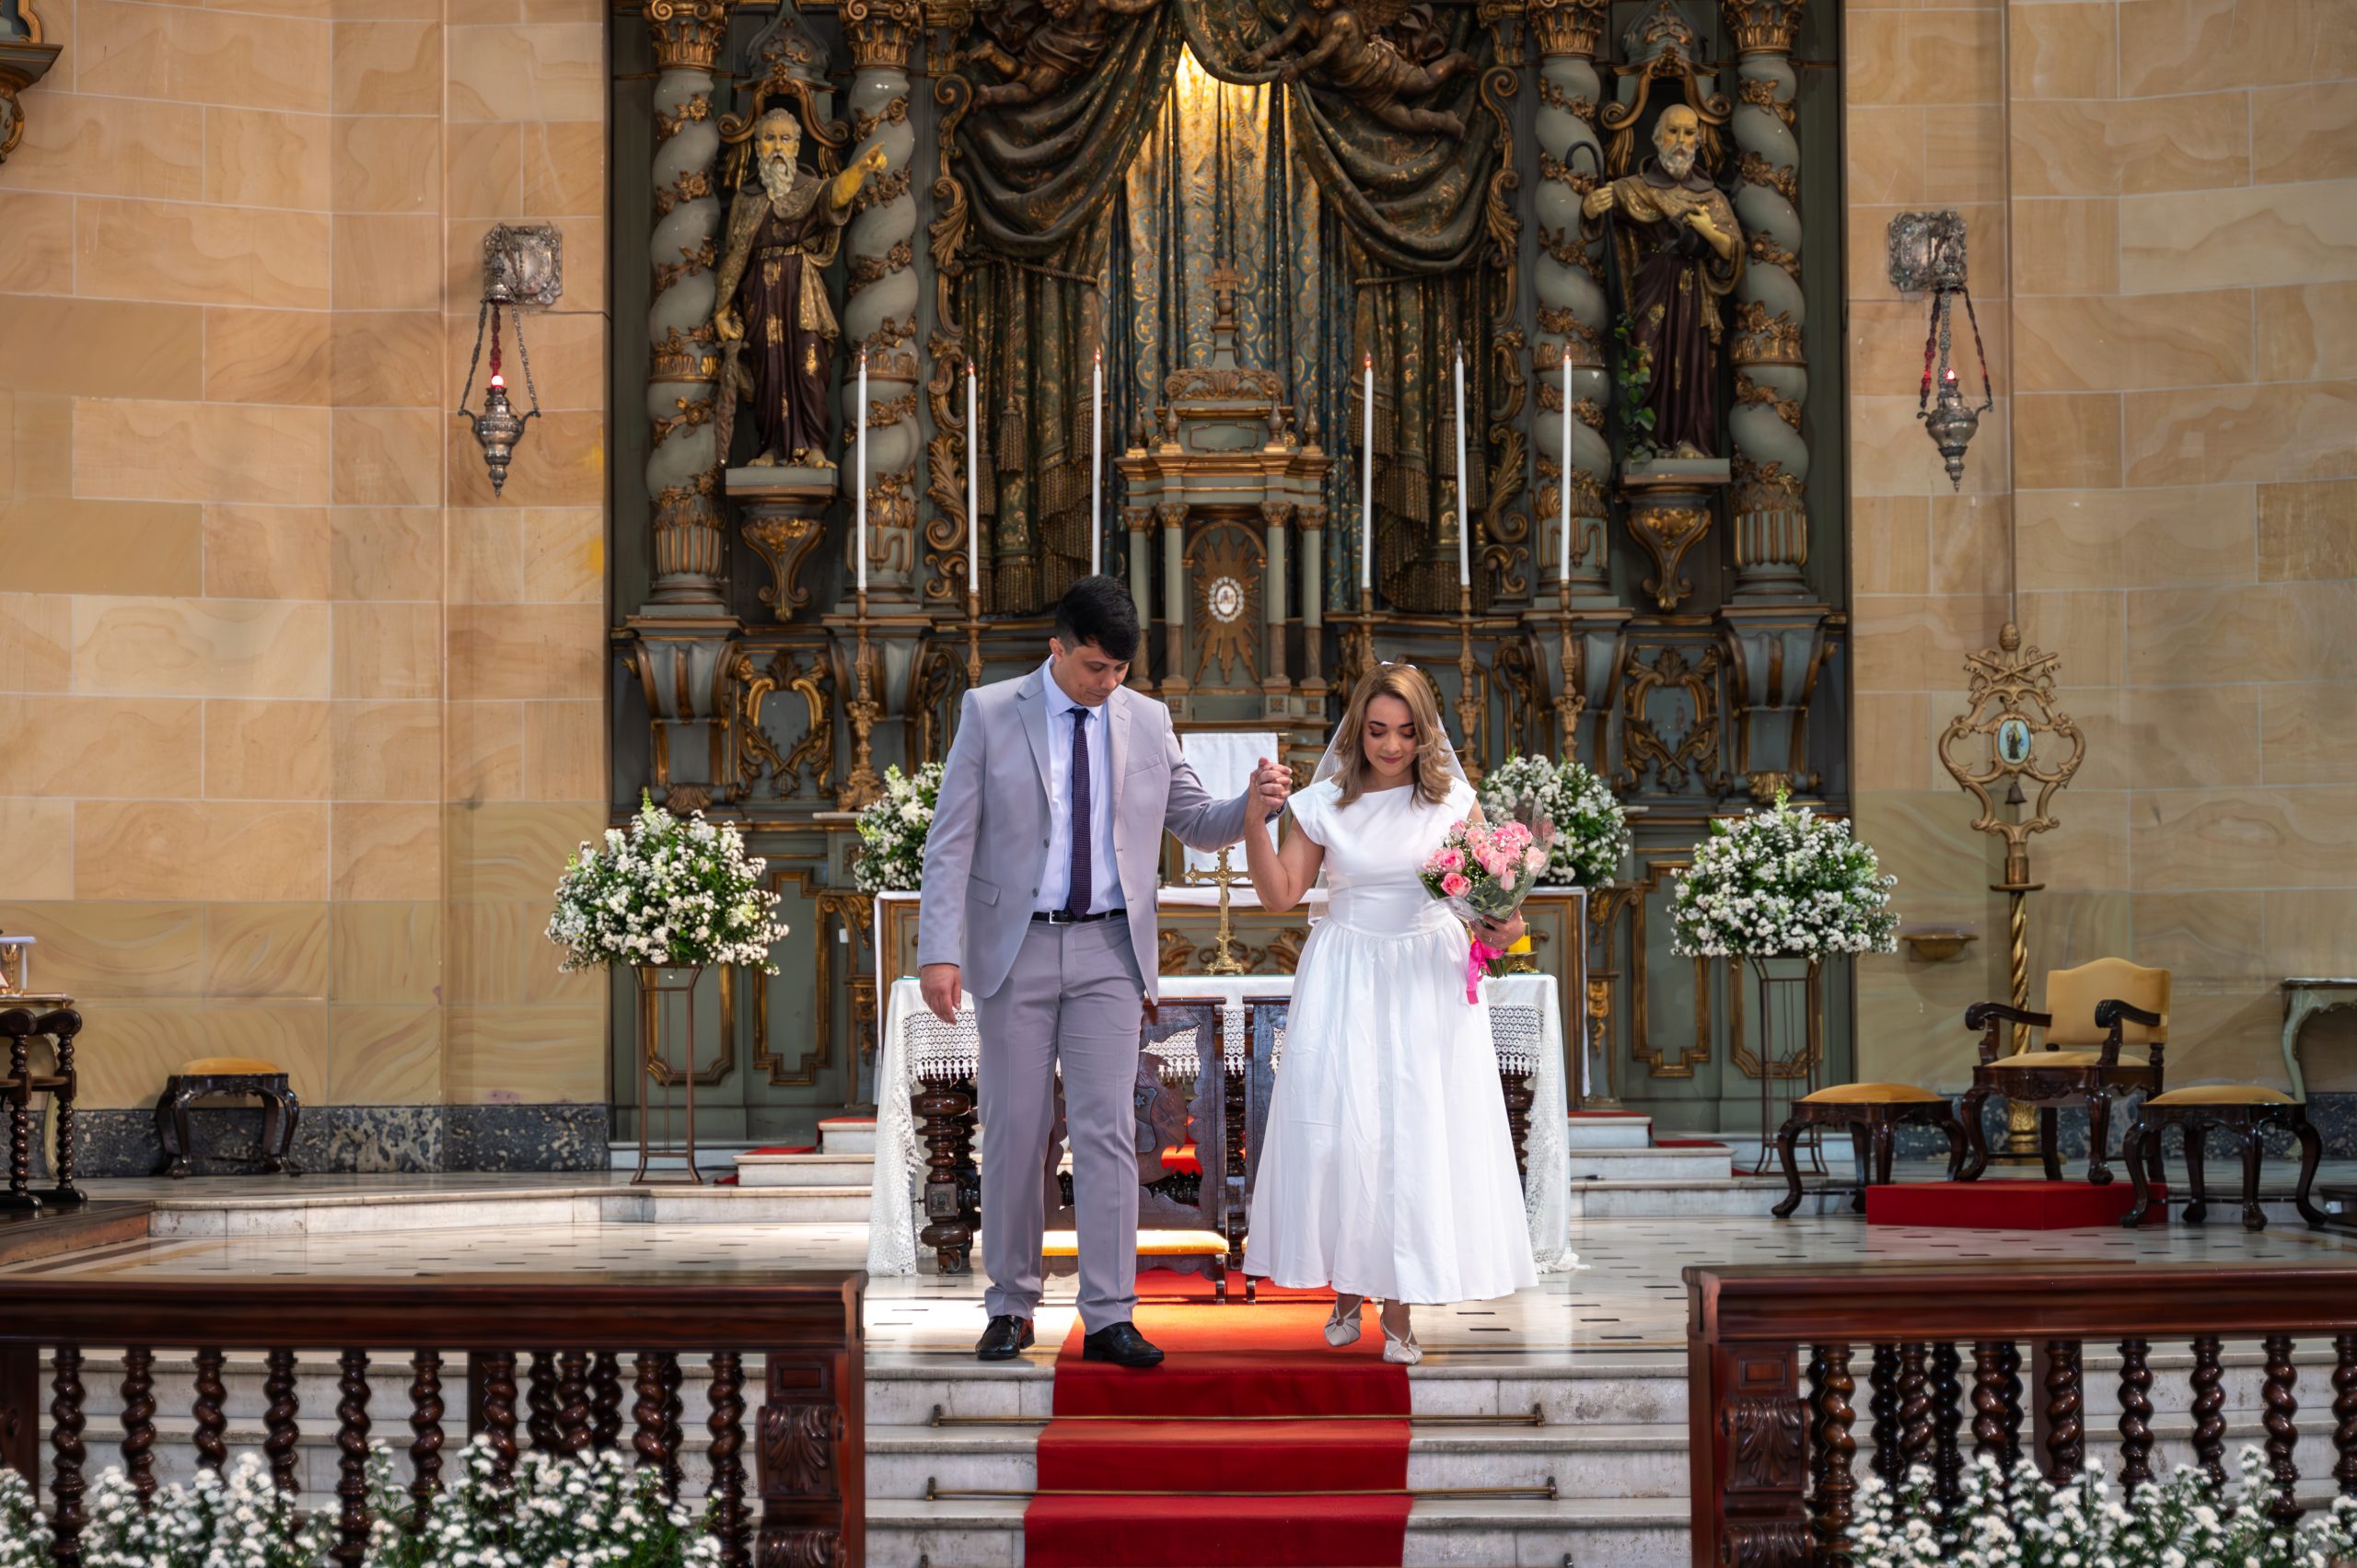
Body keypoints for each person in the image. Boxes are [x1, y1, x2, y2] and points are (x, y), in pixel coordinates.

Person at [918, 576, 1293, 1367]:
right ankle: (1011, 1305)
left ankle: (1110, 1315)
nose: (1109, 683)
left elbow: (1196, 822)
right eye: (1096, 667)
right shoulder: (990, 712)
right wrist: (938, 950)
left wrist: (1253, 804)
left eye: (1121, 669)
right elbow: (950, 840)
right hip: (1016, 947)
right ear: (1057, 648)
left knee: (1108, 1132)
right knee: (1016, 1132)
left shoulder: (1147, 720)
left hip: (1110, 951)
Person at [1238, 662, 1538, 1364]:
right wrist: (1255, 818)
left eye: (1406, 731)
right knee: (1345, 1131)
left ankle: (1399, 1310)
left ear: (1425, 731)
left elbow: (1494, 909)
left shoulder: (1454, 801)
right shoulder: (1322, 804)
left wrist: (1505, 925)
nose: (1392, 745)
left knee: (1412, 1136)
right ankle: (1349, 1284)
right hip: (1346, 969)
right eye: (1377, 730)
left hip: (1428, 975)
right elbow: (1280, 894)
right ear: (1357, 729)